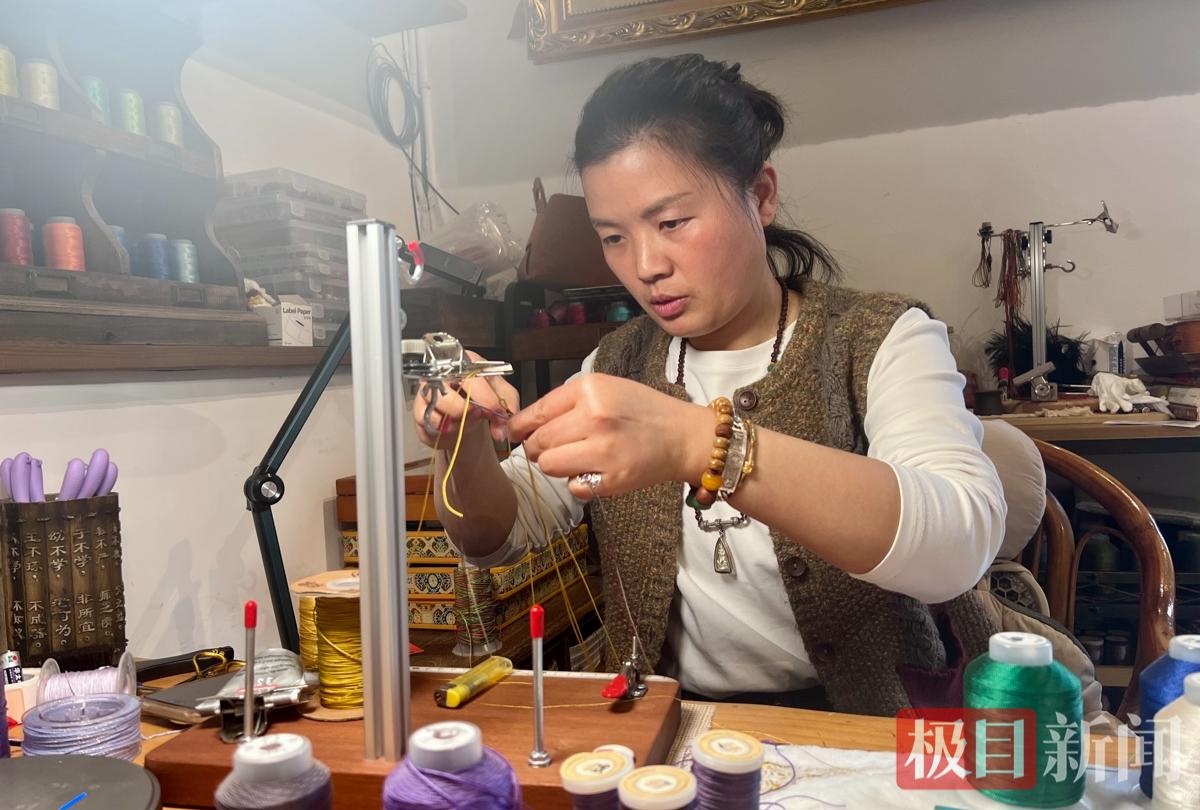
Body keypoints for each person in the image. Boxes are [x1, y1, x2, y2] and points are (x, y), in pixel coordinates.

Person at [412, 53, 1008, 715]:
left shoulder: (878, 339)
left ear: (761, 195)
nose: (645, 266)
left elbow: (957, 547)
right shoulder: (617, 361)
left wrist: (702, 443)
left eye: (671, 223)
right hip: (676, 722)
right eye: (613, 237)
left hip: (869, 725)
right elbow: (494, 536)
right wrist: (464, 441)